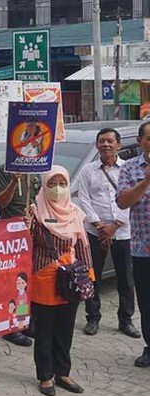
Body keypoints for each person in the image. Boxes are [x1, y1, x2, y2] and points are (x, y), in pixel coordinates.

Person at [27, 166, 92, 396]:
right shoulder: (35, 213)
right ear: (44, 185)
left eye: (62, 184)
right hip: (44, 279)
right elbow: (26, 246)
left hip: (70, 279)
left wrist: (89, 278)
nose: (57, 189)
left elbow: (83, 246)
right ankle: (45, 375)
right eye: (52, 184)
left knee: (65, 328)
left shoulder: (75, 212)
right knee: (45, 330)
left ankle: (62, 372)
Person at [74, 128, 138, 337]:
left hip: (124, 231)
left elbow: (135, 198)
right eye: (102, 141)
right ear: (97, 145)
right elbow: (84, 199)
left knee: (125, 279)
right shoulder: (88, 171)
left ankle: (126, 319)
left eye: (110, 141)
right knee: (93, 277)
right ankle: (93, 318)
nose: (106, 145)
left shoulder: (128, 169)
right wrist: (99, 225)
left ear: (118, 145)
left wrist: (116, 224)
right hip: (96, 232)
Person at [0, 163, 38, 347]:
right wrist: (14, 181)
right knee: (13, 283)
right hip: (11, 236)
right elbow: (1, 202)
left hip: (31, 232)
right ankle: (11, 328)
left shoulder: (35, 171)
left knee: (27, 282)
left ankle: (25, 322)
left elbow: (37, 198)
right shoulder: (2, 171)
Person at [116, 121, 150, 367]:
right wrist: (145, 182)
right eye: (148, 138)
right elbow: (122, 202)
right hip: (142, 249)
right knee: (147, 302)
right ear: (140, 141)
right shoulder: (129, 168)